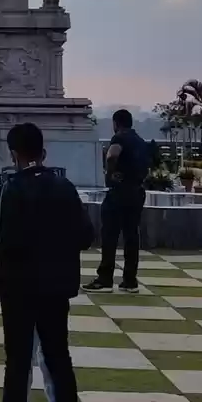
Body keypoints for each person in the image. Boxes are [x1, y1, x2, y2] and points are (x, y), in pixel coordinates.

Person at [0, 122, 94, 402]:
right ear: (43, 152)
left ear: (13, 154)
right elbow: (86, 236)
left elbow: (1, 243)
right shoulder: (65, 187)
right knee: (59, 359)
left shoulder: (10, 190)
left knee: (18, 362)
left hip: (19, 288)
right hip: (56, 286)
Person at [85, 110, 150, 293]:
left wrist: (110, 174)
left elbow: (112, 155)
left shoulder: (119, 137)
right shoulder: (140, 141)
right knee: (131, 236)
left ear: (116, 123)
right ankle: (130, 280)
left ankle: (105, 278)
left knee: (110, 235)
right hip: (137, 191)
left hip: (120, 192)